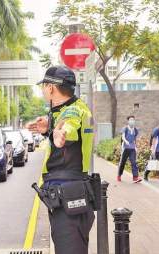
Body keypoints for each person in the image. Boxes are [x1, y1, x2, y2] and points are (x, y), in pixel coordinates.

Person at [27, 65, 95, 254]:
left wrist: (61, 135)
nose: (43, 91)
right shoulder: (76, 108)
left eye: (43, 87)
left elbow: (70, 126)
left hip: (68, 199)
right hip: (71, 195)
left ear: (50, 88)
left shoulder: (71, 112)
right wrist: (50, 127)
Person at [117, 116, 141, 183]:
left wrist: (137, 146)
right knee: (122, 163)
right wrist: (126, 141)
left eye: (133, 119)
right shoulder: (125, 129)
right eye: (131, 120)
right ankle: (119, 174)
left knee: (134, 162)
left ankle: (135, 177)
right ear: (128, 121)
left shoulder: (135, 130)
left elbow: (135, 139)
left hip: (132, 149)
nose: (132, 121)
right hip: (125, 148)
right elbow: (123, 137)